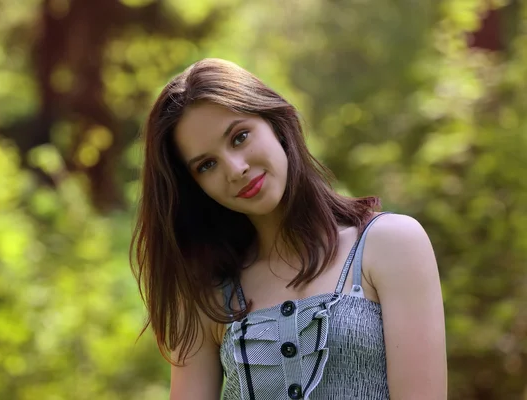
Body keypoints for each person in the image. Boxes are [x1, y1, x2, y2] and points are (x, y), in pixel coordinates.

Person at [130, 58, 447, 399]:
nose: (235, 169)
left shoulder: (390, 245)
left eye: (239, 137)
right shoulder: (208, 296)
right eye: (207, 165)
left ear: (276, 123)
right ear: (195, 186)